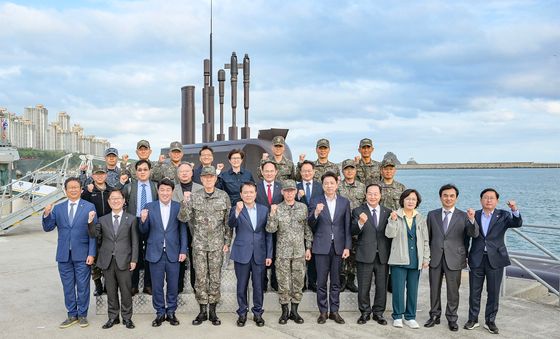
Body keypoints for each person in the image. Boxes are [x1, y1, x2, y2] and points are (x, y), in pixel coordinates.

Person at [179, 166, 232, 326]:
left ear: (215, 179)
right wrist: (185, 201)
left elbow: (228, 223)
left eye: (211, 177)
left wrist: (227, 242)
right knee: (200, 278)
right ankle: (202, 311)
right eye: (205, 177)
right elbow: (183, 218)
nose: (208, 179)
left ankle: (213, 312)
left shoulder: (223, 196)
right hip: (199, 245)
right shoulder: (194, 197)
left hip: (217, 245)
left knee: (215, 278)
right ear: (201, 179)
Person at [464, 188, 522, 334]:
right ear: (481, 200)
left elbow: (517, 223)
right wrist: (465, 255)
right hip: (477, 258)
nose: (488, 200)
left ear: (496, 201)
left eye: (491, 198)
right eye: (485, 197)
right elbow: (468, 235)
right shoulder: (474, 214)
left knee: (493, 292)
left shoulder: (503, 215)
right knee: (474, 291)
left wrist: (514, 209)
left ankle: (490, 321)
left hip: (495, 258)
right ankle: (473, 319)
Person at [42, 177, 97, 328]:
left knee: (83, 286)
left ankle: (83, 314)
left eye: (76, 187)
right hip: (63, 254)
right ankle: (72, 314)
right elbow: (48, 228)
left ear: (81, 190)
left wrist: (91, 254)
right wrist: (47, 214)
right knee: (67, 286)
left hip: (83, 254)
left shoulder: (89, 207)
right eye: (70, 187)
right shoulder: (58, 208)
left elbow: (93, 233)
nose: (73, 190)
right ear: (65, 191)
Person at [425, 184, 479, 331]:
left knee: (453, 291)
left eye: (451, 196)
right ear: (440, 197)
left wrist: (473, 220)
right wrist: (426, 256)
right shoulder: (432, 214)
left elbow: (473, 234)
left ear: (456, 198)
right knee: (434, 288)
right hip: (435, 257)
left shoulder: (463, 216)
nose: (448, 198)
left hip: (455, 258)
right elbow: (427, 237)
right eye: (445, 195)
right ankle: (434, 315)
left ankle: (452, 318)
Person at [139, 178, 188, 327]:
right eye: (162, 190)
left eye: (168, 190)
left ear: (172, 192)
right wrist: (143, 220)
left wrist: (183, 250)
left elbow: (183, 230)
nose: (165, 193)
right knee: (157, 285)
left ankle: (171, 312)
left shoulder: (178, 207)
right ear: (158, 191)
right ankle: (160, 312)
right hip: (155, 252)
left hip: (173, 252)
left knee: (173, 285)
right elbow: (143, 231)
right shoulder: (149, 206)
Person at [88, 189, 138, 329]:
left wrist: (134, 259)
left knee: (126, 291)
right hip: (107, 261)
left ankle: (127, 318)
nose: (115, 201)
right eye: (112, 199)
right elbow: (94, 235)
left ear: (123, 201)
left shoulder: (131, 219)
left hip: (125, 260)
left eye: (118, 198)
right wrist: (90, 222)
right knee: (110, 291)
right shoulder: (103, 219)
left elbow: (135, 241)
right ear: (109, 202)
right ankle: (113, 317)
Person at [266, 179, 313, 325]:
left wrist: (308, 247)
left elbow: (307, 229)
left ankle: (295, 310)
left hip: (299, 252)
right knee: (283, 283)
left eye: (292, 190)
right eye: (286, 191)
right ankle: (285, 311)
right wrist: (272, 214)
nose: (289, 193)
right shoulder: (277, 208)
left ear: (295, 191)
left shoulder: (303, 207)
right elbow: (270, 229)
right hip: (282, 253)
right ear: (282, 192)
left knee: (298, 282)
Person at [308, 171, 351, 325]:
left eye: (332, 183)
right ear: (323, 185)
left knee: (335, 281)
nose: (329, 186)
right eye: (326, 183)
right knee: (321, 281)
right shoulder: (315, 200)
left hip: (338, 247)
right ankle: (323, 312)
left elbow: (346, 226)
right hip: (321, 246)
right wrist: (316, 213)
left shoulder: (344, 202)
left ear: (337, 184)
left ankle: (334, 311)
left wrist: (347, 246)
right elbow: (310, 224)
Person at [229, 182, 273, 327]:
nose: (248, 195)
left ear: (255, 194)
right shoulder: (237, 209)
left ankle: (258, 313)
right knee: (241, 285)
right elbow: (231, 224)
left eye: (251, 192)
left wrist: (269, 255)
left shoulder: (263, 209)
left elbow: (268, 234)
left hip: (260, 253)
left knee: (258, 286)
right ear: (241, 195)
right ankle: (242, 313)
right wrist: (237, 211)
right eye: (245, 192)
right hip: (242, 253)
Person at [385, 189, 430, 329]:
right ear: (402, 200)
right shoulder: (395, 215)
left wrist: (426, 258)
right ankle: (397, 316)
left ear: (417, 202)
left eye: (413, 199)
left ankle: (410, 317)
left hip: (415, 259)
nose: (411, 201)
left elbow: (425, 240)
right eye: (408, 199)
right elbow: (389, 234)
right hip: (399, 259)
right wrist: (392, 221)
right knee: (398, 290)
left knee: (412, 289)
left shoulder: (421, 218)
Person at [351, 183, 392, 326]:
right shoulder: (357, 211)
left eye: (376, 194)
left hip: (382, 255)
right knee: (363, 286)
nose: (373, 196)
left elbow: (391, 234)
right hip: (364, 254)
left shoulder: (388, 212)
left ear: (380, 196)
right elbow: (353, 231)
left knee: (382, 286)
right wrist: (360, 223)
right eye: (370, 193)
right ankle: (365, 312)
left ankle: (379, 313)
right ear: (366, 195)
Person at [122, 159, 158, 296]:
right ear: (135, 172)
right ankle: (133, 285)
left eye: (145, 169)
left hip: (151, 221)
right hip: (134, 222)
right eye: (139, 170)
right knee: (133, 253)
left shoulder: (156, 186)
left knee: (150, 253)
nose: (142, 172)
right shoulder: (129, 187)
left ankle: (148, 285)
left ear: (150, 171)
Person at [81, 164, 113, 297]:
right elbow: (81, 204)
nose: (100, 176)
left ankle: (107, 284)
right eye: (97, 173)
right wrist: (87, 192)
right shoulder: (88, 191)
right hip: (94, 227)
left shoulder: (111, 190)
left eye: (102, 173)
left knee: (108, 256)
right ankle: (98, 284)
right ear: (92, 175)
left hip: (109, 228)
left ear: (106, 175)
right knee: (94, 256)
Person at [171, 162, 203, 293]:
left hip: (196, 229)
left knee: (196, 258)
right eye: (181, 171)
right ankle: (178, 286)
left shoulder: (200, 189)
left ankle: (196, 286)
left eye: (187, 171)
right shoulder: (173, 189)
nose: (184, 173)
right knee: (180, 257)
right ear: (178, 174)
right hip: (178, 227)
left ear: (192, 173)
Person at [337, 159, 366, 293]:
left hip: (357, 224)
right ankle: (342, 279)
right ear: (343, 171)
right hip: (341, 224)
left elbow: (366, 205)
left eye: (352, 169)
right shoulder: (338, 187)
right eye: (347, 169)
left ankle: (351, 280)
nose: (349, 171)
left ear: (355, 170)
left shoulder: (362, 187)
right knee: (343, 253)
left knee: (354, 253)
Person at [296, 160, 324, 291]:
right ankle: (301, 283)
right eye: (304, 171)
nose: (306, 173)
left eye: (309, 171)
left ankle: (313, 282)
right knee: (300, 255)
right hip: (299, 226)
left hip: (316, 224)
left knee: (313, 254)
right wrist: (299, 197)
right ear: (300, 172)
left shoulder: (320, 187)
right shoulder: (296, 187)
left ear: (314, 172)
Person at [256, 160, 283, 292]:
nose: (269, 173)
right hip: (261, 227)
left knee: (276, 255)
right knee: (262, 255)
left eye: (271, 171)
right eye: (266, 171)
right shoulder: (256, 187)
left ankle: (275, 281)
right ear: (262, 172)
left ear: (276, 172)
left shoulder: (281, 187)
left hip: (278, 228)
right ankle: (263, 282)